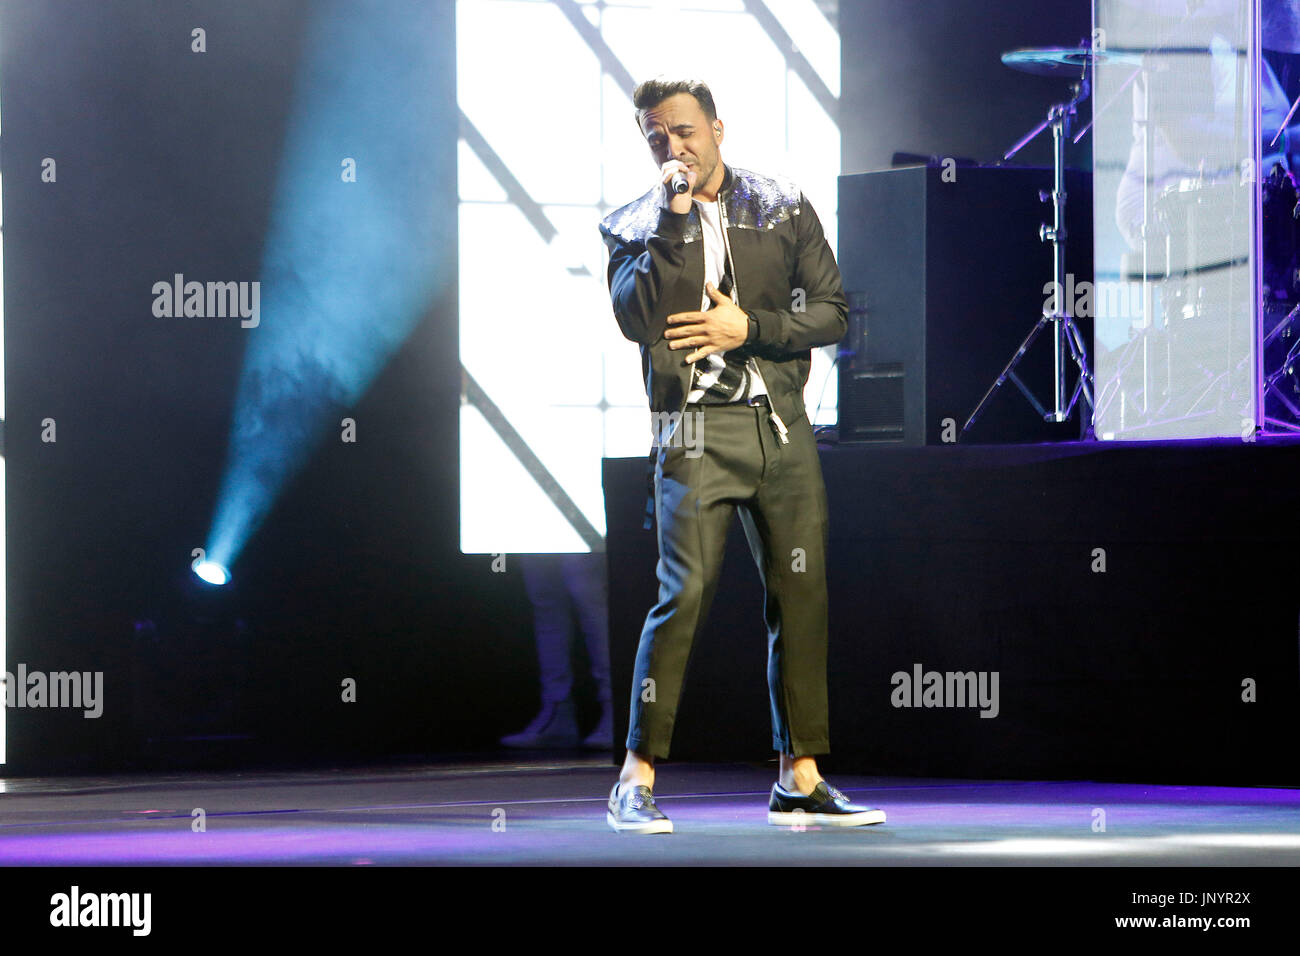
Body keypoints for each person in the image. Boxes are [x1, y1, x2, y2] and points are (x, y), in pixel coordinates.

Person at [597, 78, 885, 833]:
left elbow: (832, 311)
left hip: (780, 429)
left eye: (685, 132)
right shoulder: (634, 223)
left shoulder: (781, 204)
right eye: (658, 137)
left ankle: (801, 775)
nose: (674, 147)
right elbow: (638, 318)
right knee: (682, 596)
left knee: (802, 595)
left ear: (718, 129)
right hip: (694, 432)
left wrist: (746, 328)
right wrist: (673, 217)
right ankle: (635, 776)